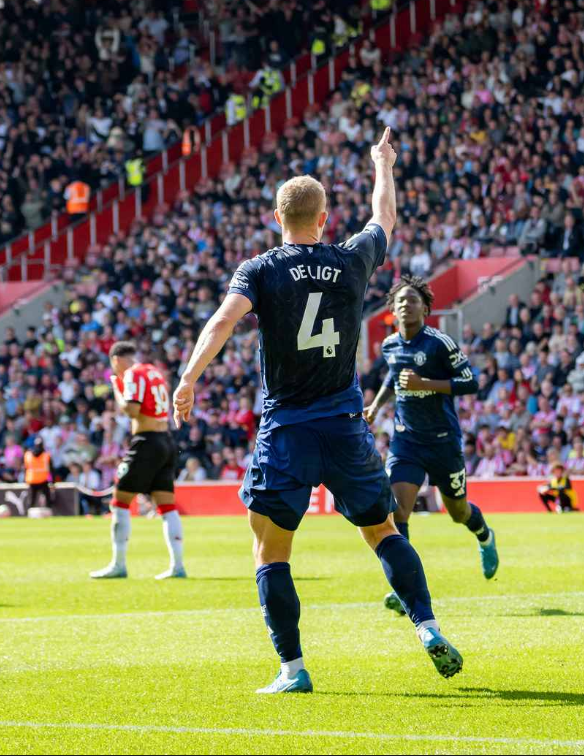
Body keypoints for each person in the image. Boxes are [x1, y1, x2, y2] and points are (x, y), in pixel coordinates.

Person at [171, 129, 462, 694]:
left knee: (271, 547)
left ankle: (293, 669)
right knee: (382, 530)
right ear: (324, 218)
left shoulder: (259, 270)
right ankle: (426, 626)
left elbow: (223, 322)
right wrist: (383, 163)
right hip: (347, 426)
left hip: (287, 430)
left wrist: (188, 378)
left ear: (276, 216)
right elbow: (386, 217)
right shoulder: (351, 259)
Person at [364, 275, 499, 616]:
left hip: (442, 442)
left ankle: (484, 535)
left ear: (425, 308)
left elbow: (472, 383)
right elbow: (393, 378)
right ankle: (406, 585)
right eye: (400, 301)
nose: (406, 305)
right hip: (406, 439)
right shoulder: (390, 345)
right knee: (398, 510)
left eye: (412, 300)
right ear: (392, 310)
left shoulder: (440, 343)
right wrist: (377, 405)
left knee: (458, 512)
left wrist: (427, 383)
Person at [91, 341, 184, 580]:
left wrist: (116, 388)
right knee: (167, 505)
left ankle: (118, 564)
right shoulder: (154, 371)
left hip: (147, 441)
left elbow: (131, 410)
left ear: (116, 360)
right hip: (166, 440)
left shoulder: (131, 374)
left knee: (119, 500)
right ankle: (178, 566)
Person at [23, 437, 55, 512]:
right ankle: (48, 515)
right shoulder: (46, 455)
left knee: (31, 501)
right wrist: (52, 482)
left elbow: (25, 468)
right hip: (43, 480)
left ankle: (28, 517)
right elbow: (51, 470)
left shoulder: (28, 455)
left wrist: (25, 480)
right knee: (47, 500)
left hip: (32, 480)